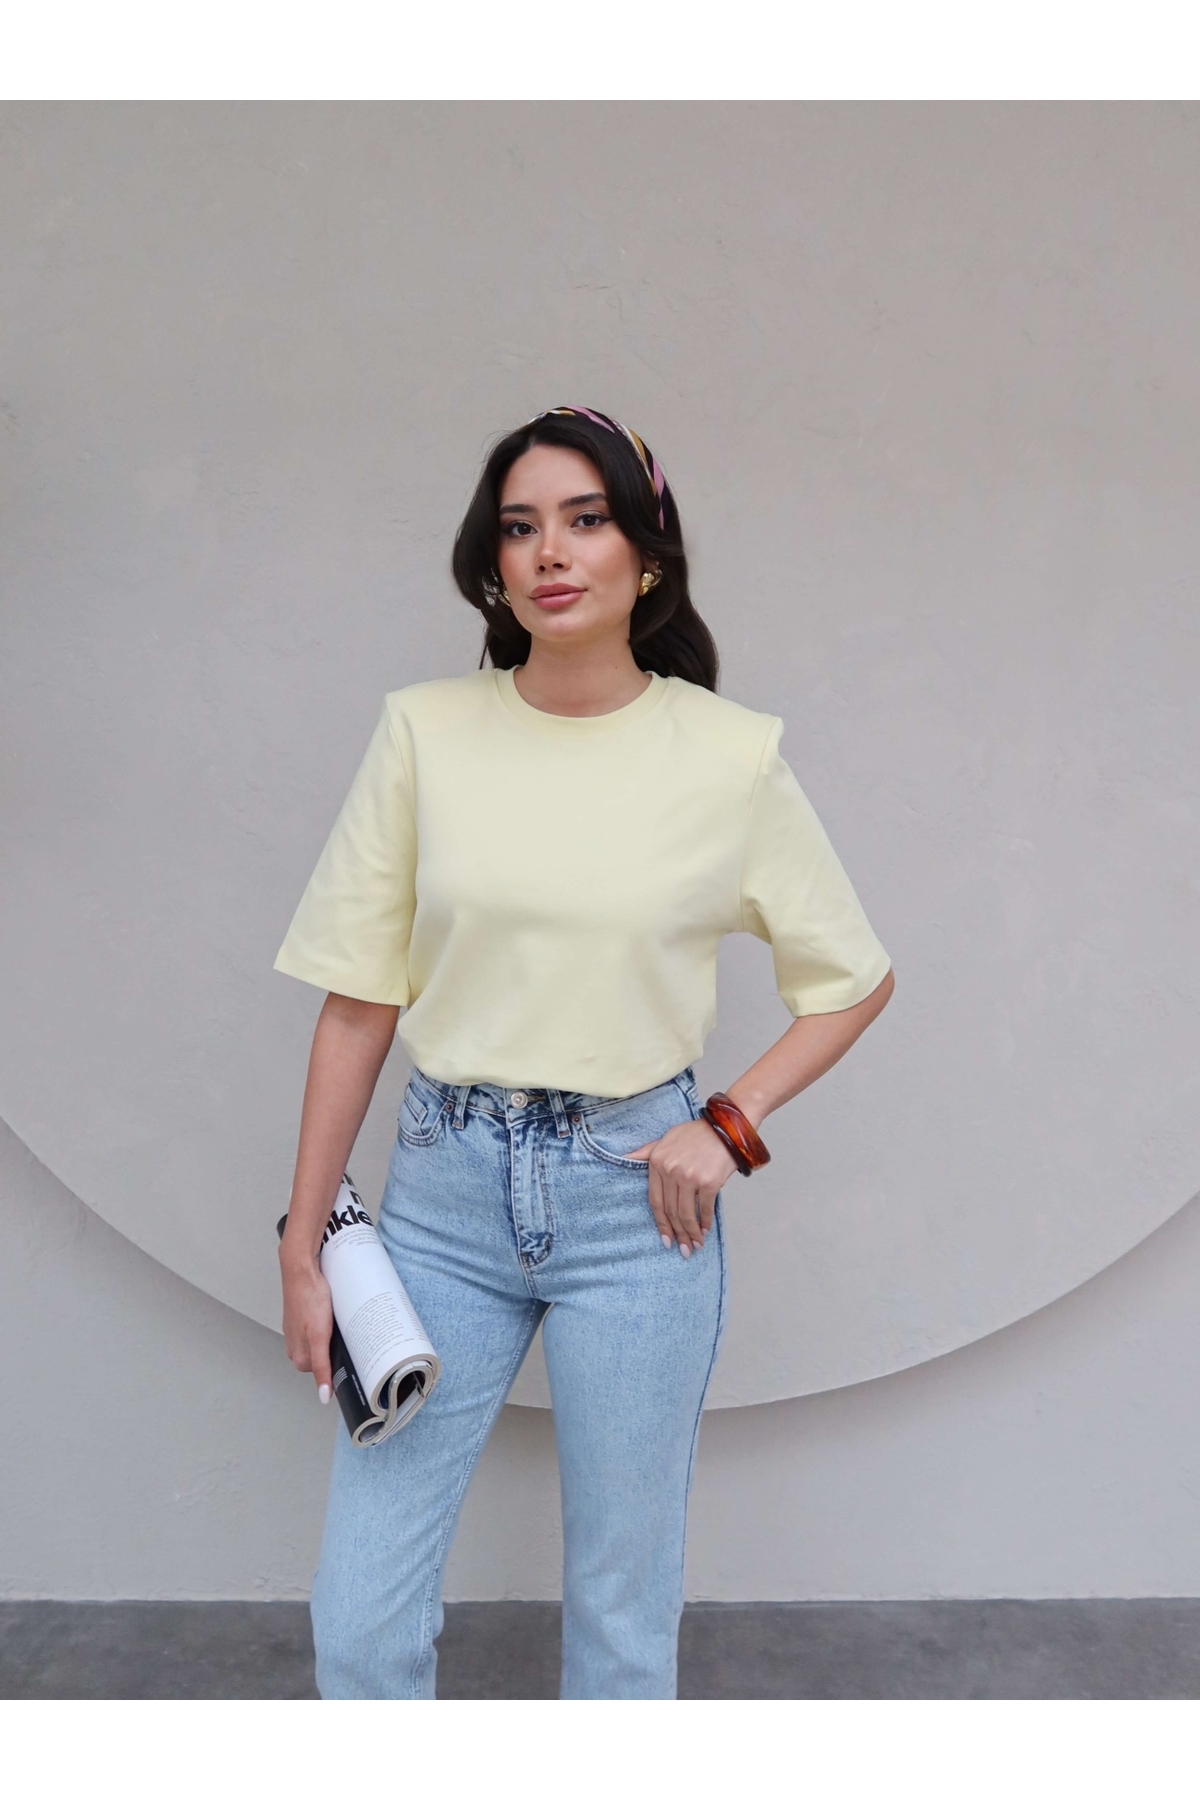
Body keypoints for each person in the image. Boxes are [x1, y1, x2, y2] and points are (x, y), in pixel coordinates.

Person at [274, 405, 894, 1700]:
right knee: (361, 1618)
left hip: (636, 1211)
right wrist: (304, 1240)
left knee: (621, 1618)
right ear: (494, 565)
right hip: (442, 1203)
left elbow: (852, 980)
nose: (550, 551)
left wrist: (727, 1126)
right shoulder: (424, 733)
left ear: (646, 556)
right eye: (520, 528)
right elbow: (358, 1003)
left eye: (585, 518)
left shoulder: (728, 756)